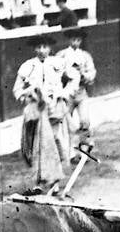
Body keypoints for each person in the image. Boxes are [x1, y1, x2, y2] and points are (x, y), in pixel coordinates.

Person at [13, 33, 72, 193]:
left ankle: (54, 182)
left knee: (52, 141)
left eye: (44, 47)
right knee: (35, 145)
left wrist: (63, 93)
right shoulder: (28, 66)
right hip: (36, 111)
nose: (41, 50)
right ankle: (39, 182)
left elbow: (73, 78)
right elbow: (17, 90)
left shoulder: (59, 63)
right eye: (38, 47)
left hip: (53, 108)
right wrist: (28, 94)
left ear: (50, 48)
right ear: (34, 49)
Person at [58, 28, 97, 156]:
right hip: (66, 94)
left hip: (81, 93)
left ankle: (84, 150)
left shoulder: (85, 56)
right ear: (69, 40)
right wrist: (65, 75)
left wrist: (83, 74)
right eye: (73, 39)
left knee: (85, 120)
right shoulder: (61, 55)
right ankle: (70, 153)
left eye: (78, 40)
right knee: (66, 125)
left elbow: (92, 74)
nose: (75, 42)